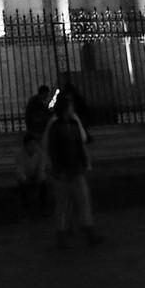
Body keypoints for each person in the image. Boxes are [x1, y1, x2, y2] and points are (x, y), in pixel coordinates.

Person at [43, 87, 102, 248]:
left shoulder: (71, 123)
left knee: (82, 201)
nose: (73, 109)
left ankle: (86, 230)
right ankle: (64, 234)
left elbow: (80, 145)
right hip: (63, 171)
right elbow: (52, 149)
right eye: (70, 107)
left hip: (75, 169)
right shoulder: (56, 126)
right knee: (64, 203)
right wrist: (56, 168)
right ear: (65, 108)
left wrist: (83, 163)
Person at [13, 130, 48, 216]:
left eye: (35, 144)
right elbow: (19, 169)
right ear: (25, 146)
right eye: (31, 145)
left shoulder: (40, 153)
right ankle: (25, 210)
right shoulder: (20, 154)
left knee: (44, 184)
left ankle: (44, 207)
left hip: (36, 174)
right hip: (25, 176)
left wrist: (40, 176)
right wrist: (24, 178)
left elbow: (42, 167)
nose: (33, 147)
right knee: (22, 188)